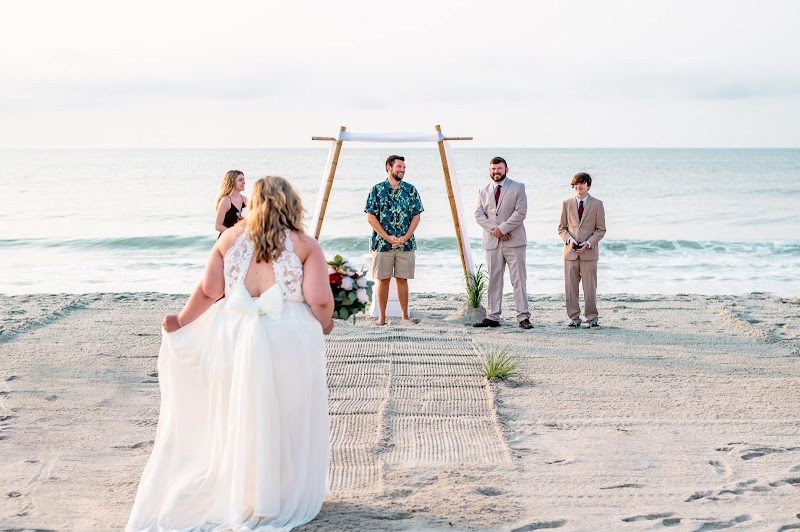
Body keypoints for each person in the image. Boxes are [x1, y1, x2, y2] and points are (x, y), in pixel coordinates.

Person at [126, 176, 334, 532]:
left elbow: (209, 291)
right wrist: (324, 323)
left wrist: (181, 321)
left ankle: (244, 490)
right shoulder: (304, 244)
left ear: (252, 203)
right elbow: (318, 298)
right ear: (290, 203)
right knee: (287, 414)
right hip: (287, 338)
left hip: (234, 334)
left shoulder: (229, 238)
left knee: (239, 411)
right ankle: (278, 495)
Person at [473, 156, 533, 329]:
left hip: (515, 241)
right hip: (493, 242)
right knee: (494, 279)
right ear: (489, 170)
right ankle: (492, 316)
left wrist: (503, 229)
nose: (496, 172)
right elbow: (479, 215)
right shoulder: (482, 190)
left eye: (499, 169)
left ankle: (523, 317)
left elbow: (520, 213)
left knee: (519, 280)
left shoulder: (518, 187)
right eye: (493, 169)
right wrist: (497, 231)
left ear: (506, 169)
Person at [364, 155, 423, 325]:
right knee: (383, 280)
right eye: (399, 167)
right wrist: (388, 238)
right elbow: (371, 218)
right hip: (382, 245)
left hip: (405, 244)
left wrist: (405, 237)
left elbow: (416, 217)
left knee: (402, 279)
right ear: (388, 168)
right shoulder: (376, 190)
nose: (402, 170)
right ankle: (382, 317)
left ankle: (405, 316)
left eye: (404, 167)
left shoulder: (411, 190)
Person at [558, 172, 606, 328]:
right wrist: (569, 240)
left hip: (589, 253)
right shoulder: (566, 203)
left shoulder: (597, 204)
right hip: (570, 253)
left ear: (588, 186)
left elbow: (601, 229)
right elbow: (561, 228)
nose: (579, 186)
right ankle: (574, 318)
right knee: (570, 288)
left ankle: (592, 318)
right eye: (576, 184)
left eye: (582, 183)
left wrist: (588, 243)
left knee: (590, 288)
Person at [215, 170, 247, 235]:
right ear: (232, 182)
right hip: (227, 239)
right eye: (240, 180)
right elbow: (218, 226)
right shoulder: (225, 200)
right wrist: (234, 234)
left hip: (241, 239)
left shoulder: (245, 200)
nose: (244, 182)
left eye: (243, 179)